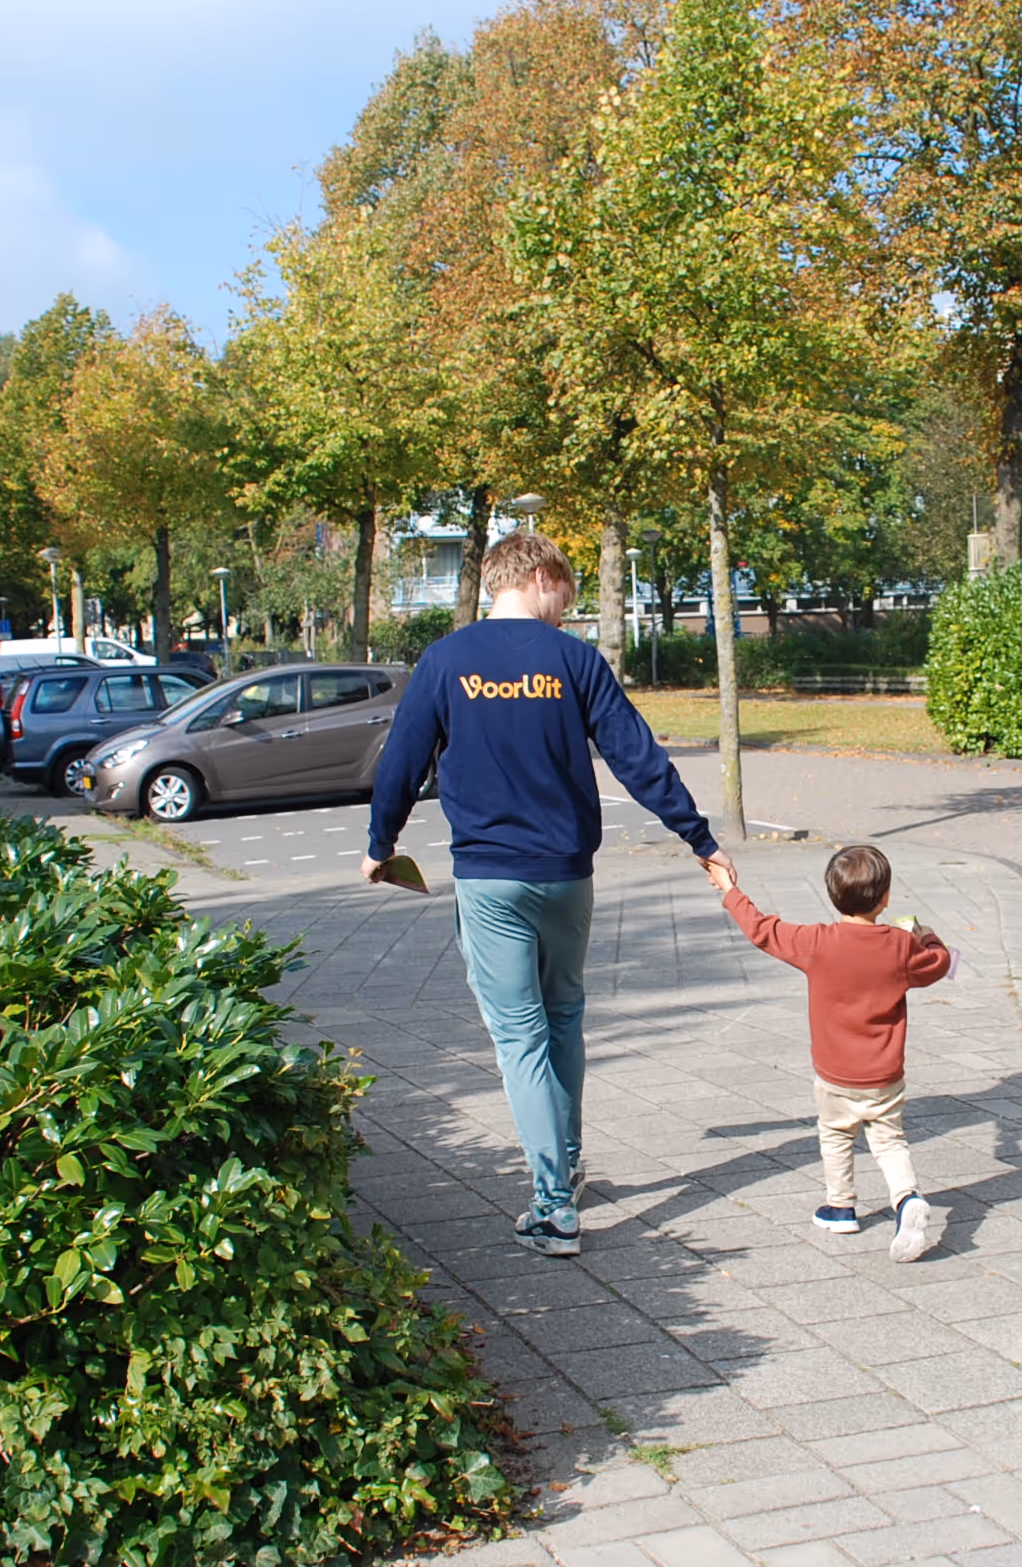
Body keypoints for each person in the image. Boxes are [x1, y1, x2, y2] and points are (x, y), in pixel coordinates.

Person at [363, 531, 731, 1258]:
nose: (569, 605)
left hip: (491, 877)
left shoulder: (445, 661)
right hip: (566, 873)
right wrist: (699, 839)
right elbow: (636, 756)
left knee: (520, 1037)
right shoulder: (574, 661)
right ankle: (567, 1164)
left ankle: (555, 1205)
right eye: (565, 589)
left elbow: (401, 760)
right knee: (562, 1018)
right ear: (537, 577)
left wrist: (381, 845)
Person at [716, 842, 953, 1261]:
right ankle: (906, 1199)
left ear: (831, 894)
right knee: (890, 1140)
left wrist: (729, 889)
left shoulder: (816, 941)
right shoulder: (900, 946)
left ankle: (841, 1207)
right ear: (885, 898)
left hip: (834, 1072)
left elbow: (762, 930)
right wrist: (924, 934)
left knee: (836, 1135)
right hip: (885, 1073)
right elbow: (939, 962)